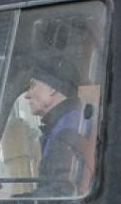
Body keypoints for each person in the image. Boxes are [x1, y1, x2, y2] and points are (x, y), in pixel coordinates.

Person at [23, 58, 91, 196]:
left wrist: (12, 199)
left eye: (33, 85)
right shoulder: (68, 124)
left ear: (52, 88)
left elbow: (60, 194)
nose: (27, 95)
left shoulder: (68, 131)